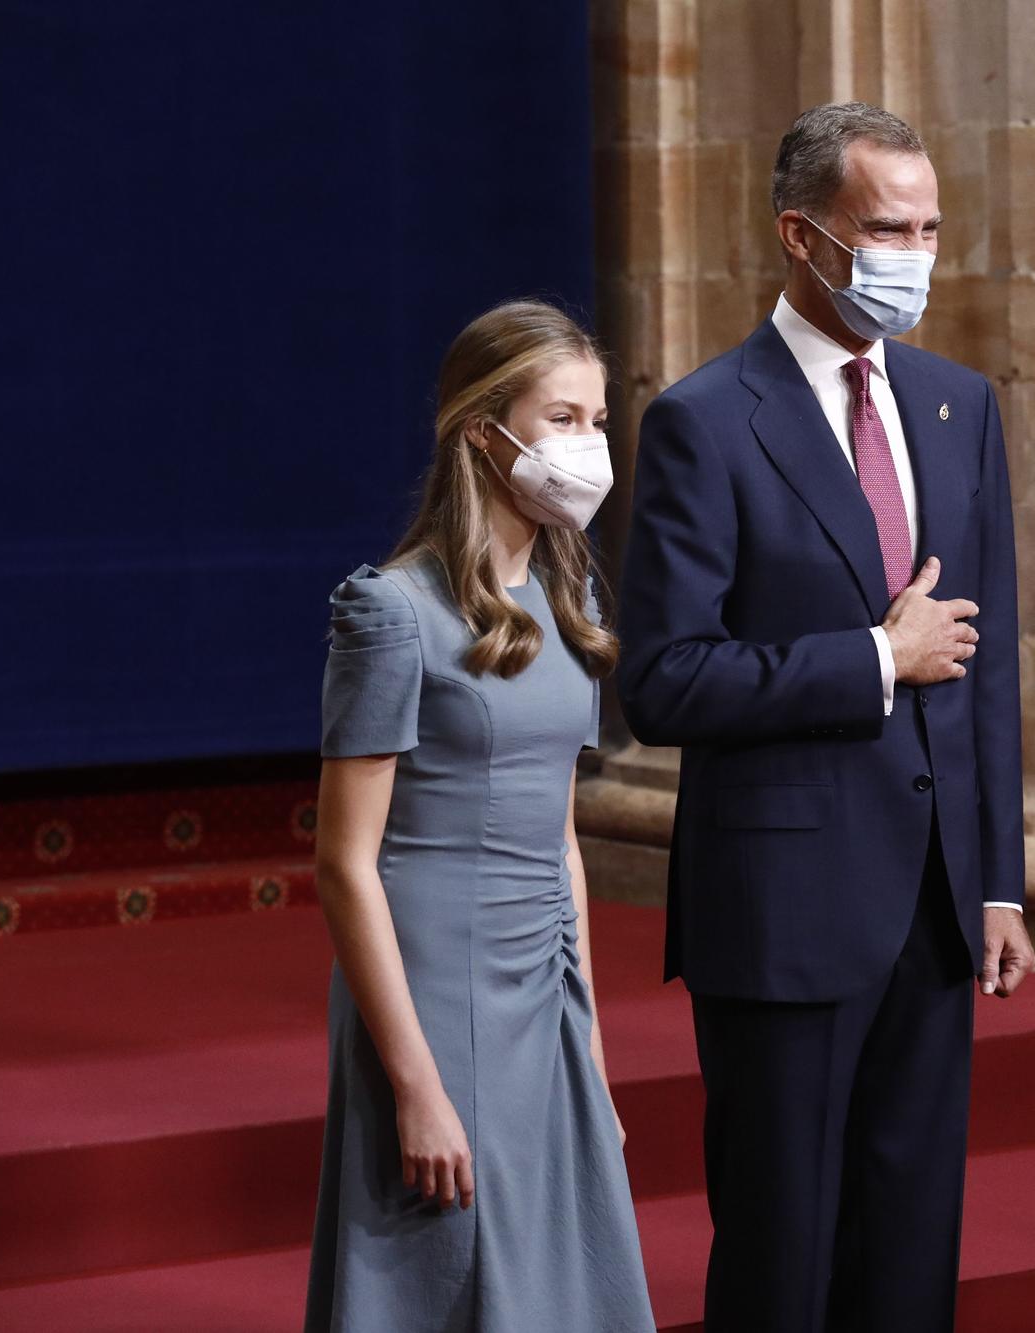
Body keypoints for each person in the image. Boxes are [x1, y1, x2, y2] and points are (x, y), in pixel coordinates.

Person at [616, 102, 1031, 1333]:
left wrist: (997, 879)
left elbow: (988, 660)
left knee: (911, 1253)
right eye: (884, 229)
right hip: (785, 906)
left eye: (929, 227)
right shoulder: (705, 419)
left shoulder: (958, 405)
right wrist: (871, 658)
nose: (913, 253)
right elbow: (664, 679)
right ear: (801, 235)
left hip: (936, 904)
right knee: (781, 1256)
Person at [305, 300, 654, 1332]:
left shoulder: (562, 594)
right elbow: (343, 863)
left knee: (562, 1273)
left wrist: (586, 1045)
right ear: (481, 431)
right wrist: (413, 1081)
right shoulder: (390, 610)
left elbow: (558, 838)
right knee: (443, 1272)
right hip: (435, 989)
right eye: (561, 418)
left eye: (596, 419)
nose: (587, 446)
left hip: (540, 989)